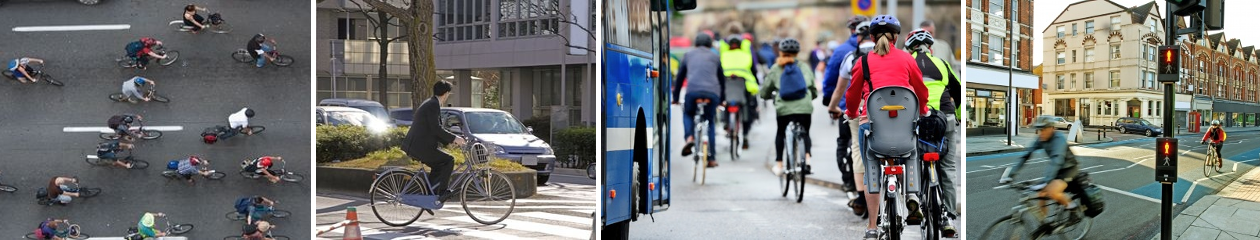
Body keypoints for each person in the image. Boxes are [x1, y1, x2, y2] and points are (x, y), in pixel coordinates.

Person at [842, 15, 930, 239]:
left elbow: (852, 94)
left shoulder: (863, 62)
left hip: (873, 129)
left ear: (871, 37)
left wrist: (852, 113)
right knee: (911, 150)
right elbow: (920, 90)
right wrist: (923, 110)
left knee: (871, 169)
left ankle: (872, 226)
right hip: (902, 130)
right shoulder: (907, 59)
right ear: (896, 37)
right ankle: (912, 195)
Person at [904, 28, 962, 237]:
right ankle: (948, 216)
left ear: (909, 48)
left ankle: (915, 200)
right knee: (948, 167)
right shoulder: (943, 64)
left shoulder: (906, 62)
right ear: (930, 47)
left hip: (917, 119)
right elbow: (958, 91)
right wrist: (958, 115)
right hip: (943, 119)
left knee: (912, 157)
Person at [1000, 116, 1085, 225]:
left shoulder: (1059, 139)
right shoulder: (1041, 138)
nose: (1041, 133)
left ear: (1052, 128)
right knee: (1042, 194)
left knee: (1052, 191)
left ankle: (1073, 209)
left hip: (1069, 168)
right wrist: (1010, 175)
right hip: (1058, 169)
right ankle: (1044, 224)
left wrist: (1046, 181)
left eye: (1044, 129)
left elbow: (1056, 159)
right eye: (1039, 130)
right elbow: (1026, 155)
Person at [827, 20, 874, 213]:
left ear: (858, 37)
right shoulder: (889, 55)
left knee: (857, 147)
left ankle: (862, 198)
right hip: (889, 108)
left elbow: (841, 89)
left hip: (861, 109)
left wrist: (833, 107)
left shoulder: (851, 57)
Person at [402, 80, 467, 201]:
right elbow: (436, 128)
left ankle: (428, 195)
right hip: (420, 147)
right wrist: (455, 138)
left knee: (439, 165)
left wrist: (448, 142)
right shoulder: (433, 105)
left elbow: (433, 129)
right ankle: (442, 192)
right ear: (446, 93)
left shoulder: (431, 102)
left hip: (417, 145)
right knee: (449, 160)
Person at [760, 38, 816, 176]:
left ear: (781, 52)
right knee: (805, 132)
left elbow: (765, 90)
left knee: (780, 133)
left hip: (784, 109)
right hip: (804, 107)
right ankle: (807, 159)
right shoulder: (803, 67)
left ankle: (779, 164)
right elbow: (813, 88)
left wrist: (766, 96)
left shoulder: (775, 68)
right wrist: (811, 97)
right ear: (797, 53)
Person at [672, 32, 727, 168]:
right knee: (710, 121)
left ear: (696, 43)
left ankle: (689, 137)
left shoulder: (688, 55)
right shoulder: (715, 56)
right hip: (712, 94)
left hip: (693, 92)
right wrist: (722, 100)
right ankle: (712, 158)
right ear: (710, 44)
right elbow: (722, 80)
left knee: (688, 113)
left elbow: (680, 78)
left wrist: (675, 98)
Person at [719, 34, 759, 150]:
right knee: (749, 107)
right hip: (744, 85)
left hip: (727, 85)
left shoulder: (724, 54)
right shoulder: (746, 54)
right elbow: (753, 70)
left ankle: (725, 122)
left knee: (724, 102)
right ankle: (745, 135)